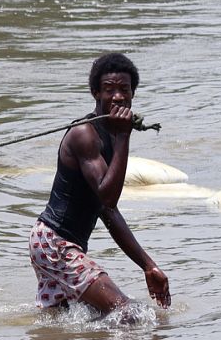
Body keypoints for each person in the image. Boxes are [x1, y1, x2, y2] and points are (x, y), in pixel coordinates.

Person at [29, 53, 171, 317]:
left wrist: (148, 266)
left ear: (133, 94)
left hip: (52, 242)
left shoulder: (110, 133)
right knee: (128, 314)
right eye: (109, 90)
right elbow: (109, 199)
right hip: (55, 243)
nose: (118, 96)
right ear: (95, 93)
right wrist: (123, 138)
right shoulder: (85, 134)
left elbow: (107, 211)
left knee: (62, 324)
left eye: (124, 90)